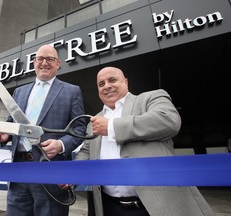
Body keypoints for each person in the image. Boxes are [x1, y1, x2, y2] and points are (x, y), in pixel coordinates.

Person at [75, 67, 214, 216]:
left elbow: (169, 121)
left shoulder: (151, 98)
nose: (107, 86)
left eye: (112, 80)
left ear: (126, 82)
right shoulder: (93, 122)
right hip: (109, 206)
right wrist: (71, 176)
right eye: (101, 84)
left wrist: (111, 127)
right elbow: (86, 152)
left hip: (158, 207)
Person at [0, 44, 86, 216]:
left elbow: (80, 128)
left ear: (58, 64)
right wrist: (6, 136)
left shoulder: (72, 91)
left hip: (51, 171)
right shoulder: (19, 92)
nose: (44, 63)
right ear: (34, 63)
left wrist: (61, 144)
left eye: (50, 59)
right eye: (40, 59)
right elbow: (13, 124)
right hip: (18, 171)